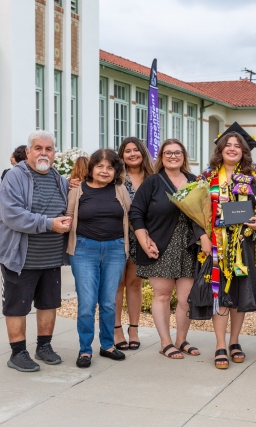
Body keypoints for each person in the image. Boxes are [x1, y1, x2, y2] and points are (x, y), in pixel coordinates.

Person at [0, 130, 72, 373]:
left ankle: (44, 347)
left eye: (48, 149)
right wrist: (49, 223)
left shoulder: (60, 179)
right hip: (20, 256)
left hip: (50, 257)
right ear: (27, 152)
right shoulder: (15, 177)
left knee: (48, 303)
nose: (43, 153)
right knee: (17, 305)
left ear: (54, 153)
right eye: (38, 148)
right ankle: (17, 353)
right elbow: (12, 214)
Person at [129, 139, 209, 360]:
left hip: (189, 247)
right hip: (161, 246)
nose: (173, 156)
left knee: (186, 298)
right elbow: (136, 212)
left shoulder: (195, 181)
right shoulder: (153, 182)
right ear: (161, 157)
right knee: (163, 295)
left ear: (184, 156)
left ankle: (181, 339)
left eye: (177, 152)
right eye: (168, 153)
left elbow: (204, 213)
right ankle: (165, 342)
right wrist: (144, 239)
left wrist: (203, 237)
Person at [204, 123, 256, 369]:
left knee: (240, 293)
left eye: (237, 146)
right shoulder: (207, 177)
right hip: (217, 246)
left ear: (244, 152)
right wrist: (202, 237)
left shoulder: (255, 179)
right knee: (221, 293)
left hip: (245, 245)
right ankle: (220, 344)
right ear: (220, 150)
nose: (232, 149)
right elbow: (197, 212)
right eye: (227, 146)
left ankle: (235, 341)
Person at [66, 149, 131, 368]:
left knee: (108, 302)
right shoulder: (77, 190)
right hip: (84, 250)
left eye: (110, 167)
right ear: (91, 168)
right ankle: (85, 350)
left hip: (115, 250)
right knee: (86, 303)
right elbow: (68, 216)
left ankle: (107, 345)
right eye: (100, 166)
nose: (105, 171)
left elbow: (131, 219)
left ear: (116, 171)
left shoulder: (120, 190)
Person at [114, 137, 154, 350]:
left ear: (142, 153)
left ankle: (134, 329)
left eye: (136, 150)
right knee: (117, 283)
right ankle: (117, 329)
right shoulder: (116, 177)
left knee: (135, 282)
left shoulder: (153, 176)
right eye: (127, 151)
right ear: (121, 155)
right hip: (119, 236)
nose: (132, 154)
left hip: (143, 236)